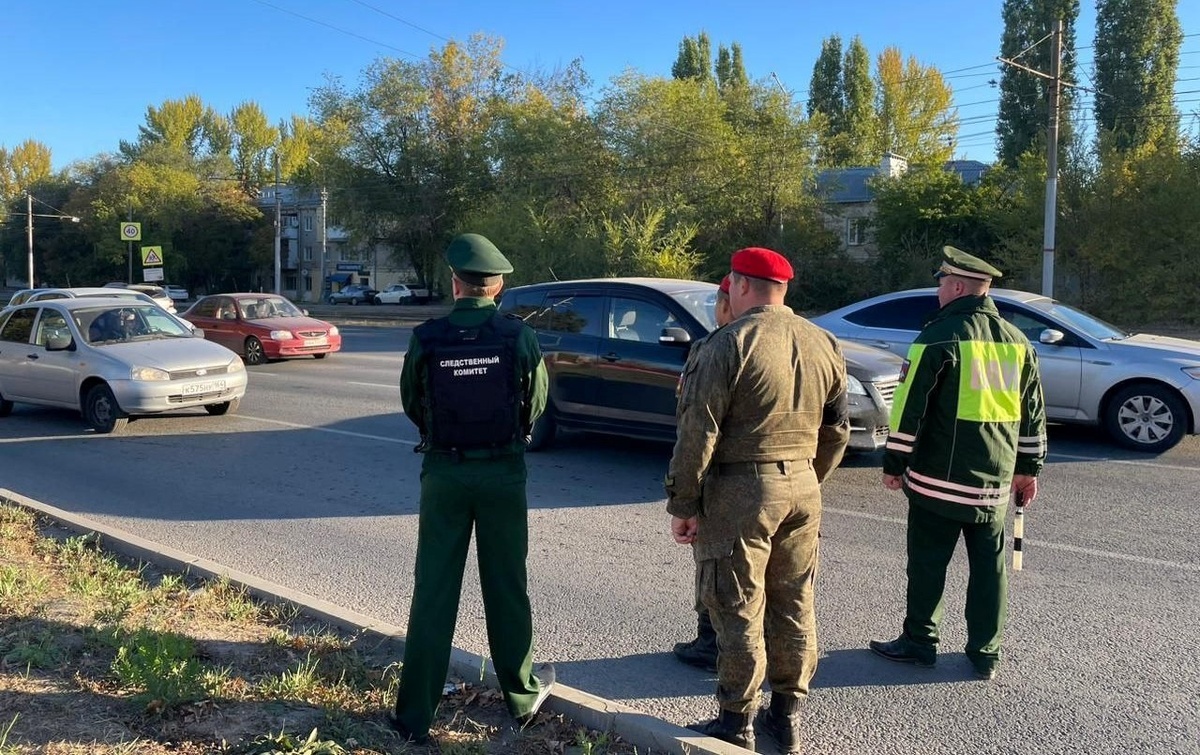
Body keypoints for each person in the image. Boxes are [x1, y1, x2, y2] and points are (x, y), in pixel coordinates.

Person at [666, 248, 851, 753]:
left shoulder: (726, 344)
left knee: (737, 606)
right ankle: (786, 718)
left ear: (737, 285)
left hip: (741, 492)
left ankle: (735, 722)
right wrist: (809, 478)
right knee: (794, 603)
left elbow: (697, 433)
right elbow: (838, 429)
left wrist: (684, 504)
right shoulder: (824, 342)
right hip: (803, 489)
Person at [393, 233, 554, 743]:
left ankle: (414, 715)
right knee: (507, 586)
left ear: (454, 282)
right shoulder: (517, 336)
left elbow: (411, 403)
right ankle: (521, 696)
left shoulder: (428, 337)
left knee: (433, 590)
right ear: (499, 285)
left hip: (443, 474)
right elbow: (537, 403)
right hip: (504, 473)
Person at [869, 245, 1047, 681]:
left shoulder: (939, 336)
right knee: (990, 568)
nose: (938, 291)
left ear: (959, 286)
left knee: (928, 563)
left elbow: (910, 409)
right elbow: (1033, 412)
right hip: (994, 484)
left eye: (942, 283)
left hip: (938, 481)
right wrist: (1029, 468)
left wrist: (894, 463)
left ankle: (920, 642)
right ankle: (986, 652)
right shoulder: (1018, 341)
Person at [671, 274, 734, 673]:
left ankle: (712, 644)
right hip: (791, 485)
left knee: (716, 567)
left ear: (727, 303)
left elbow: (696, 431)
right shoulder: (806, 340)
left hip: (727, 480)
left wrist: (684, 501)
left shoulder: (716, 349)